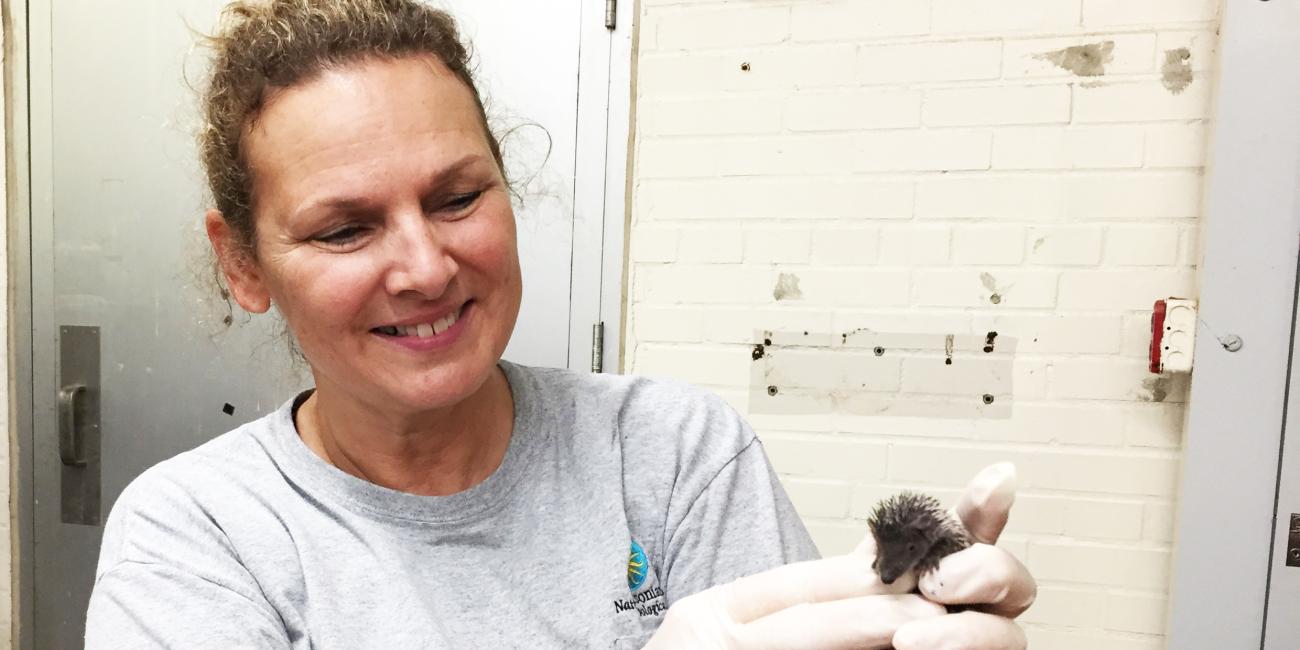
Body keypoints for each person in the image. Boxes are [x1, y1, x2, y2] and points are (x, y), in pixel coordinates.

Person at [84, 1, 1035, 647]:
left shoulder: (670, 456)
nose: (423, 268)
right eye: (345, 228)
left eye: (457, 198)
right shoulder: (198, 537)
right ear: (244, 264)